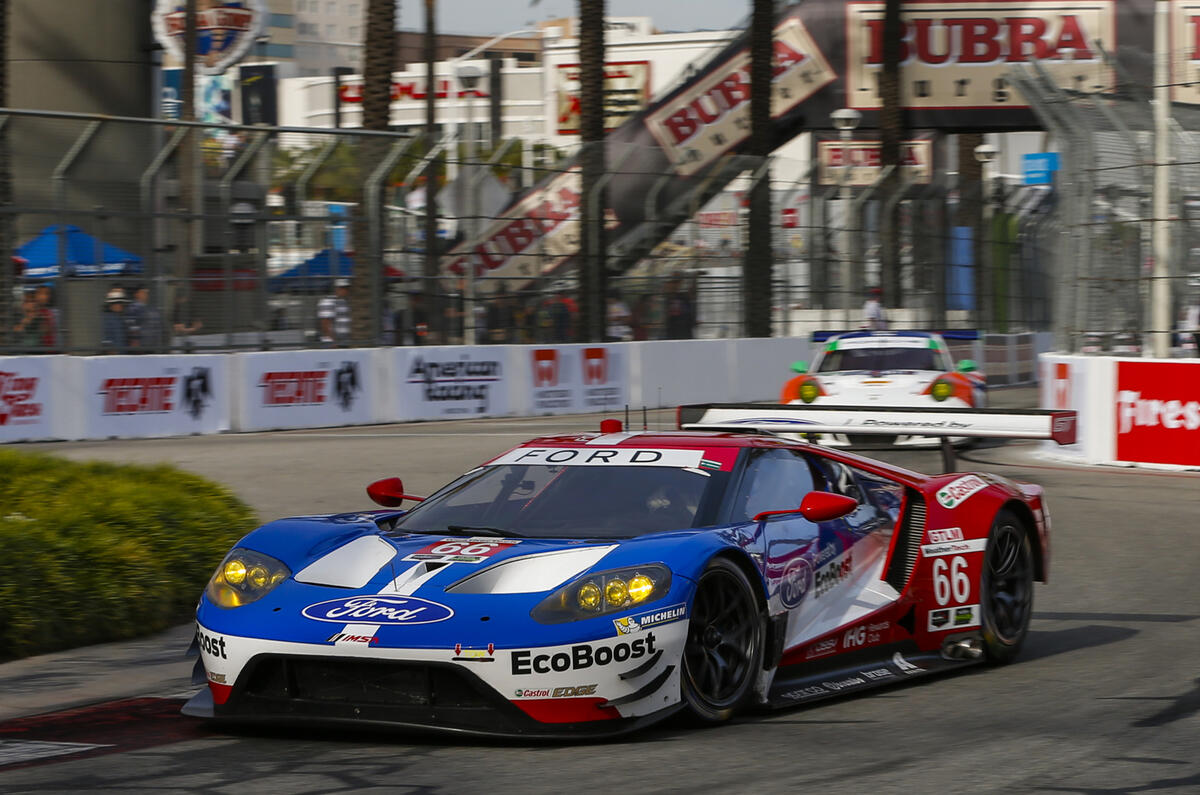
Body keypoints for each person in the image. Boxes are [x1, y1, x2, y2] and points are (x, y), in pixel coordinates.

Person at [12, 286, 57, 352]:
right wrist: (24, 322)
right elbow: (15, 333)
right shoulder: (16, 318)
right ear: (22, 304)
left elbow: (45, 332)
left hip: (37, 353)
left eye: (32, 301)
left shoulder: (40, 317)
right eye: (27, 301)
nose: (30, 304)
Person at [127, 285, 164, 352]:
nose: (146, 294)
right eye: (143, 292)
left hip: (151, 344)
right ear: (136, 294)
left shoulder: (148, 308)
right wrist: (135, 341)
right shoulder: (134, 308)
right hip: (141, 346)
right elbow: (132, 325)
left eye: (146, 292)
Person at [317, 278, 351, 346]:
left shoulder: (343, 301)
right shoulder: (327, 302)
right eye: (343, 288)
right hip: (333, 344)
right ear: (336, 289)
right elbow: (325, 323)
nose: (346, 291)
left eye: (347, 288)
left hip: (344, 342)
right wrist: (333, 342)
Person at [663, 272, 696, 340]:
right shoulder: (669, 297)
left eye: (677, 282)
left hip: (685, 330)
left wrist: (694, 278)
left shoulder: (683, 296)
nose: (676, 285)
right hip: (674, 331)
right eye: (674, 282)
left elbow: (691, 292)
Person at [100, 287, 130, 354]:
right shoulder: (108, 318)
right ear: (113, 304)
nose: (121, 306)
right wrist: (111, 350)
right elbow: (106, 336)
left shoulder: (120, 317)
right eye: (119, 303)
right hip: (115, 354)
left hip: (123, 353)